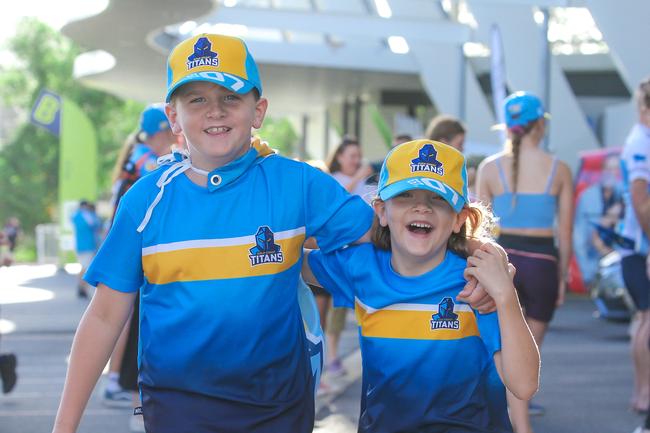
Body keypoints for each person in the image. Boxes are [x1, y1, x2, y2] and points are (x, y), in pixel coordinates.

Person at [303, 139, 540, 432]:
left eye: (437, 199)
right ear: (381, 211)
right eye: (405, 196)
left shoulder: (476, 281)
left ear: (459, 219)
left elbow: (525, 385)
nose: (421, 208)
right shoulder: (361, 266)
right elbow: (285, 260)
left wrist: (505, 295)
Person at [476, 91, 573, 433]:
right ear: (540, 126)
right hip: (543, 261)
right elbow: (564, 230)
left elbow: (480, 231)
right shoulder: (559, 169)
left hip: (502, 262)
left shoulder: (489, 168)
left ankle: (513, 419)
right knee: (528, 351)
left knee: (503, 348)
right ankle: (522, 424)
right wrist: (561, 277)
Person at [324, 136, 373, 377]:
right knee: (337, 311)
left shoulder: (363, 181)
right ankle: (332, 357)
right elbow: (338, 199)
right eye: (352, 156)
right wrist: (358, 176)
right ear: (340, 156)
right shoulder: (333, 179)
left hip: (364, 252)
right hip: (340, 252)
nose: (356, 161)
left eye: (358, 156)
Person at [620, 77, 650, 420]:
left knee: (644, 319)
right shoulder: (640, 142)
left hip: (638, 246)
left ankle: (643, 390)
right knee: (646, 319)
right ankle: (643, 392)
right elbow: (641, 203)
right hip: (640, 248)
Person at [573, 153, 624, 287]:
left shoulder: (626, 196)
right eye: (607, 168)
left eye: (615, 169)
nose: (611, 173)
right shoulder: (588, 197)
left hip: (623, 267)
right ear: (601, 171)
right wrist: (587, 273)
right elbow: (579, 238)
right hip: (596, 267)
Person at [71, 201, 102, 298]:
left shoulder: (75, 216)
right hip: (88, 245)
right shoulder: (87, 216)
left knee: (83, 266)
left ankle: (82, 288)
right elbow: (97, 225)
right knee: (85, 267)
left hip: (80, 246)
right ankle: (82, 288)